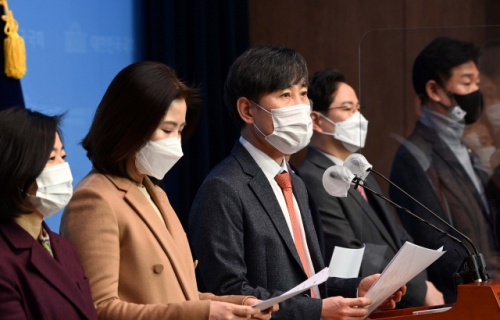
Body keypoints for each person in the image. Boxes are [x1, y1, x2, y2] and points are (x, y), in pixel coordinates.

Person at [189, 46, 405, 320]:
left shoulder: (295, 182)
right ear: (247, 110)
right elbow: (228, 293)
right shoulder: (223, 188)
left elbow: (308, 283)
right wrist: (317, 312)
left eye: (303, 93)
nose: (301, 106)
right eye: (285, 95)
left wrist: (354, 289)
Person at [60, 61, 277, 320]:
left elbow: (181, 296)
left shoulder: (155, 193)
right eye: (167, 129)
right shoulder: (95, 199)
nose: (176, 142)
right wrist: (204, 312)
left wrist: (243, 304)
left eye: (180, 130)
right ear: (129, 125)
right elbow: (99, 309)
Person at [298, 68, 444, 308]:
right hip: (371, 305)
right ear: (316, 120)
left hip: (399, 300)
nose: (358, 118)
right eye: (347, 109)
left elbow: (399, 238)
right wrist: (419, 289)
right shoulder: (315, 179)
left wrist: (421, 282)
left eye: (358, 109)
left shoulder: (359, 172)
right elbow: (350, 255)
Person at [390, 37, 499, 303]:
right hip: (461, 300)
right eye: (466, 83)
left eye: (476, 83)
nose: (475, 92)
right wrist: (487, 277)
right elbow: (435, 243)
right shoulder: (414, 156)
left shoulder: (467, 150)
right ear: (434, 90)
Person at [0, 107, 98, 320]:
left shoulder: (65, 248)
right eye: (50, 158)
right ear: (15, 168)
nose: (63, 167)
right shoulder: (4, 259)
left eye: (62, 155)